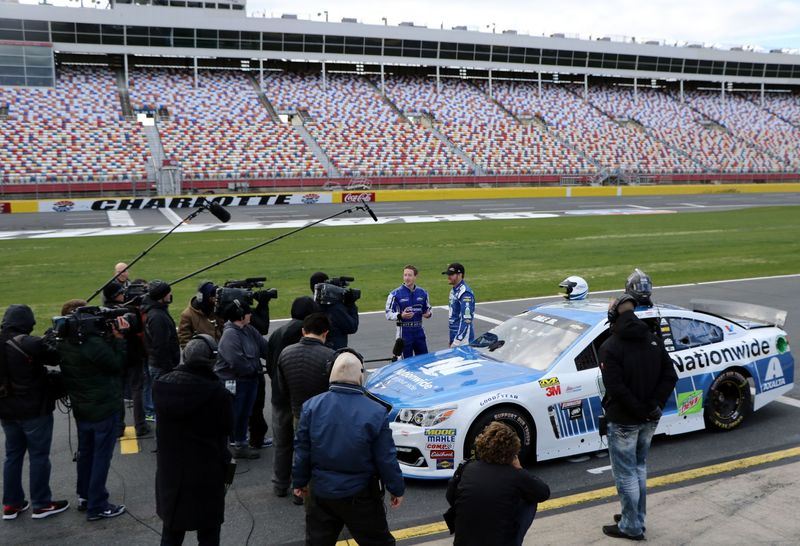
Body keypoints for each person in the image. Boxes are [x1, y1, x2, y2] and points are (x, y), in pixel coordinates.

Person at [293, 351, 405, 545]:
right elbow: (386, 458)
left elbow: (302, 451)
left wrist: (300, 481)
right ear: (360, 376)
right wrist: (396, 488)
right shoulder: (376, 412)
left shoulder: (311, 407)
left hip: (321, 491)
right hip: (360, 494)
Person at [599, 294, 678, 540]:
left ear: (613, 316)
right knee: (639, 469)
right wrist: (653, 405)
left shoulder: (609, 347)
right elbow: (670, 376)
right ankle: (634, 517)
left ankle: (631, 526)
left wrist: (640, 409)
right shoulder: (653, 340)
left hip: (625, 419)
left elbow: (616, 388)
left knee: (625, 474)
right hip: (649, 418)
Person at [154, 335, 234, 546]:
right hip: (206, 473)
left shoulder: (161, 385)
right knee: (208, 533)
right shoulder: (218, 394)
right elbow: (227, 428)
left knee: (171, 533)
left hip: (170, 471)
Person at [58, 300, 127, 521]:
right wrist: (119, 340)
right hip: (103, 406)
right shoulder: (92, 344)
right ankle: (97, 504)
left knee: (86, 453)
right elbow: (116, 364)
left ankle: (85, 495)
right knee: (100, 456)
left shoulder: (65, 341)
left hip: (82, 407)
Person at [1, 304, 69, 520]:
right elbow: (55, 357)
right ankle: (41, 502)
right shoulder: (28, 342)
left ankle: (11, 503)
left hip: (6, 410)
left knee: (13, 456)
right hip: (33, 409)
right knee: (39, 455)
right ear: (27, 323)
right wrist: (49, 340)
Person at [445, 422, 550, 546]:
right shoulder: (516, 475)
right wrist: (519, 468)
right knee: (530, 497)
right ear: (513, 452)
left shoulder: (467, 468)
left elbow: (450, 496)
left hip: (463, 543)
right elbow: (543, 493)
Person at [267, 296, 319, 502]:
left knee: (281, 444)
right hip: (300, 398)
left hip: (279, 396)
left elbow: (271, 364)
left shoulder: (277, 333)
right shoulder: (303, 334)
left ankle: (280, 484)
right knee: (302, 445)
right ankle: (301, 489)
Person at [214, 299, 268, 460]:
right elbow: (235, 361)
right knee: (235, 413)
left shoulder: (249, 330)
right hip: (236, 381)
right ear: (240, 316)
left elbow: (265, 347)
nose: (250, 314)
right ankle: (232, 445)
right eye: (248, 312)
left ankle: (240, 443)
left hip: (249, 380)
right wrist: (254, 370)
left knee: (245, 413)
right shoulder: (230, 334)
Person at [142, 280, 180, 420]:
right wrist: (169, 368)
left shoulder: (157, 311)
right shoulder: (157, 316)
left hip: (159, 364)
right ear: (161, 296)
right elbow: (160, 346)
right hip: (161, 366)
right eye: (168, 292)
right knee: (164, 404)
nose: (171, 294)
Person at [385, 265, 432, 358]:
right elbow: (388, 314)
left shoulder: (423, 293)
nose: (407, 278)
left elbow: (428, 309)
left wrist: (428, 314)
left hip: (419, 332)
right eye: (405, 275)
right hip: (404, 333)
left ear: (415, 276)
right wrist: (400, 315)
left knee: (424, 360)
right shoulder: (395, 294)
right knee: (405, 364)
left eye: (409, 275)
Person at [310, 272, 359, 350]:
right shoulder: (335, 307)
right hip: (334, 352)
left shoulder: (308, 304)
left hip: (313, 352)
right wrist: (351, 304)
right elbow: (352, 327)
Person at [178, 281, 223, 348]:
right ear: (206, 298)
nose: (215, 300)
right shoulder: (188, 315)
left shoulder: (216, 309)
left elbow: (223, 328)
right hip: (200, 354)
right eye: (213, 298)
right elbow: (184, 339)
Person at [442, 263, 475, 347]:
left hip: (463, 340)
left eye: (451, 275)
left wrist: (457, 341)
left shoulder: (465, 293)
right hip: (454, 335)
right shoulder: (454, 290)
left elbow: (466, 319)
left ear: (460, 275)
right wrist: (451, 339)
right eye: (448, 274)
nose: (448, 277)